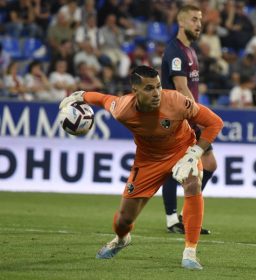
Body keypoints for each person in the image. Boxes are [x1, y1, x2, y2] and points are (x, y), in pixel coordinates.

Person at [59, 65, 224, 270]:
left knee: (192, 184)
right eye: (149, 89)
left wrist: (195, 153)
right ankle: (121, 240)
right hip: (148, 161)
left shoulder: (176, 101)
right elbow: (103, 99)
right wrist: (81, 95)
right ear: (135, 91)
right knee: (123, 219)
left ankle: (190, 252)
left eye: (158, 87)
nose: (156, 93)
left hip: (183, 150)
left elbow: (215, 123)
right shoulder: (122, 109)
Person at [160, 4, 217, 234]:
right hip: (178, 119)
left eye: (200, 20)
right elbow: (181, 88)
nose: (199, 24)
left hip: (191, 117)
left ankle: (185, 214)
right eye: (194, 19)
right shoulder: (174, 51)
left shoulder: (191, 51)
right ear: (181, 22)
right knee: (176, 169)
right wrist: (199, 115)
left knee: (209, 164)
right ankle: (172, 219)